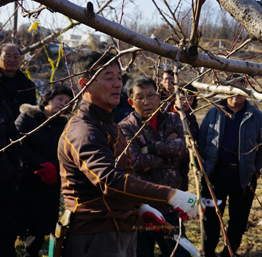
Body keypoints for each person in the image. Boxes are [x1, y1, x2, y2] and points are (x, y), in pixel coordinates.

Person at [57, 52, 199, 257]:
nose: (117, 84)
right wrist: (170, 194)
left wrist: (140, 206)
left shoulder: (109, 125)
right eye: (108, 77)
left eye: (118, 77)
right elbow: (109, 181)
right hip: (97, 233)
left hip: (122, 226)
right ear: (84, 84)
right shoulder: (84, 130)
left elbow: (127, 173)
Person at [198, 74, 262, 257]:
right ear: (224, 90)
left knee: (238, 219)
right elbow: (201, 141)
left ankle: (229, 253)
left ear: (246, 91)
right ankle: (209, 252)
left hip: (243, 176)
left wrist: (256, 171)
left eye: (239, 90)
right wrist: (203, 169)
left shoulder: (255, 115)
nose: (235, 95)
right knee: (212, 218)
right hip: (215, 174)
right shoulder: (214, 111)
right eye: (230, 89)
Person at [118, 77, 191, 257]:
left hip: (171, 200)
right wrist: (168, 156)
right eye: (140, 97)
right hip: (140, 206)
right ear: (131, 102)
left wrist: (152, 148)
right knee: (141, 252)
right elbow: (135, 161)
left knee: (179, 252)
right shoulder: (125, 127)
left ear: (159, 97)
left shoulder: (174, 119)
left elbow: (185, 148)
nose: (146, 101)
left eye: (151, 95)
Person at [13, 84, 73, 257]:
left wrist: (54, 166)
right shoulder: (27, 117)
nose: (63, 103)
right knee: (16, 220)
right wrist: (40, 165)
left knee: (40, 225)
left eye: (67, 102)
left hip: (51, 182)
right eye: (60, 99)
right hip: (24, 179)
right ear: (48, 98)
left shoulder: (65, 126)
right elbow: (18, 144)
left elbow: (68, 152)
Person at [0, 100, 19, 257]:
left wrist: (11, 171)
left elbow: (13, 141)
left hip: (4, 183)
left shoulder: (3, 106)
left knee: (5, 234)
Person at [174, 83, 199, 191]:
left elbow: (187, 142)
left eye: (190, 99)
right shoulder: (162, 113)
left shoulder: (191, 121)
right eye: (182, 97)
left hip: (180, 170)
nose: (186, 101)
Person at [0, 43, 37, 117]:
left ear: (20, 59)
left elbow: (33, 114)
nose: (12, 60)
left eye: (16, 57)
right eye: (8, 56)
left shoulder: (28, 85)